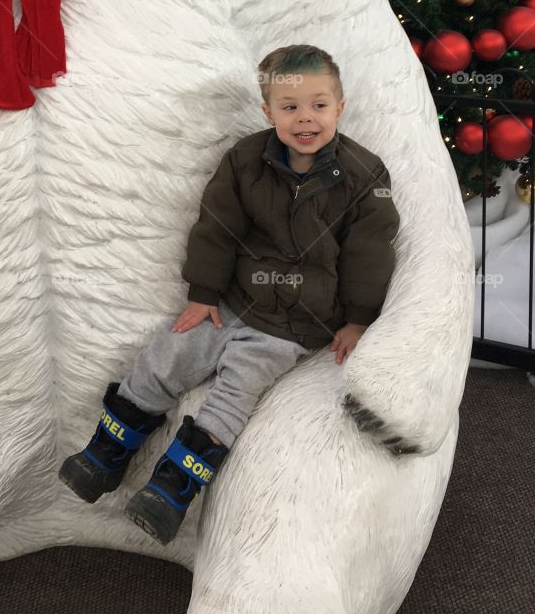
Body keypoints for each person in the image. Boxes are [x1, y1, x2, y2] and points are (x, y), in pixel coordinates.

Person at [59, 43, 399, 544]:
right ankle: (108, 451)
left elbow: (369, 253)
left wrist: (357, 318)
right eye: (290, 108)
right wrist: (204, 293)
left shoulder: (365, 175)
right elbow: (216, 228)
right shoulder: (245, 160)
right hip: (232, 302)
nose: (306, 119)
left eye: (319, 106)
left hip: (294, 323)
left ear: (340, 107)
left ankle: (173, 488)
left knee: (236, 389)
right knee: (166, 353)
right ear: (268, 112)